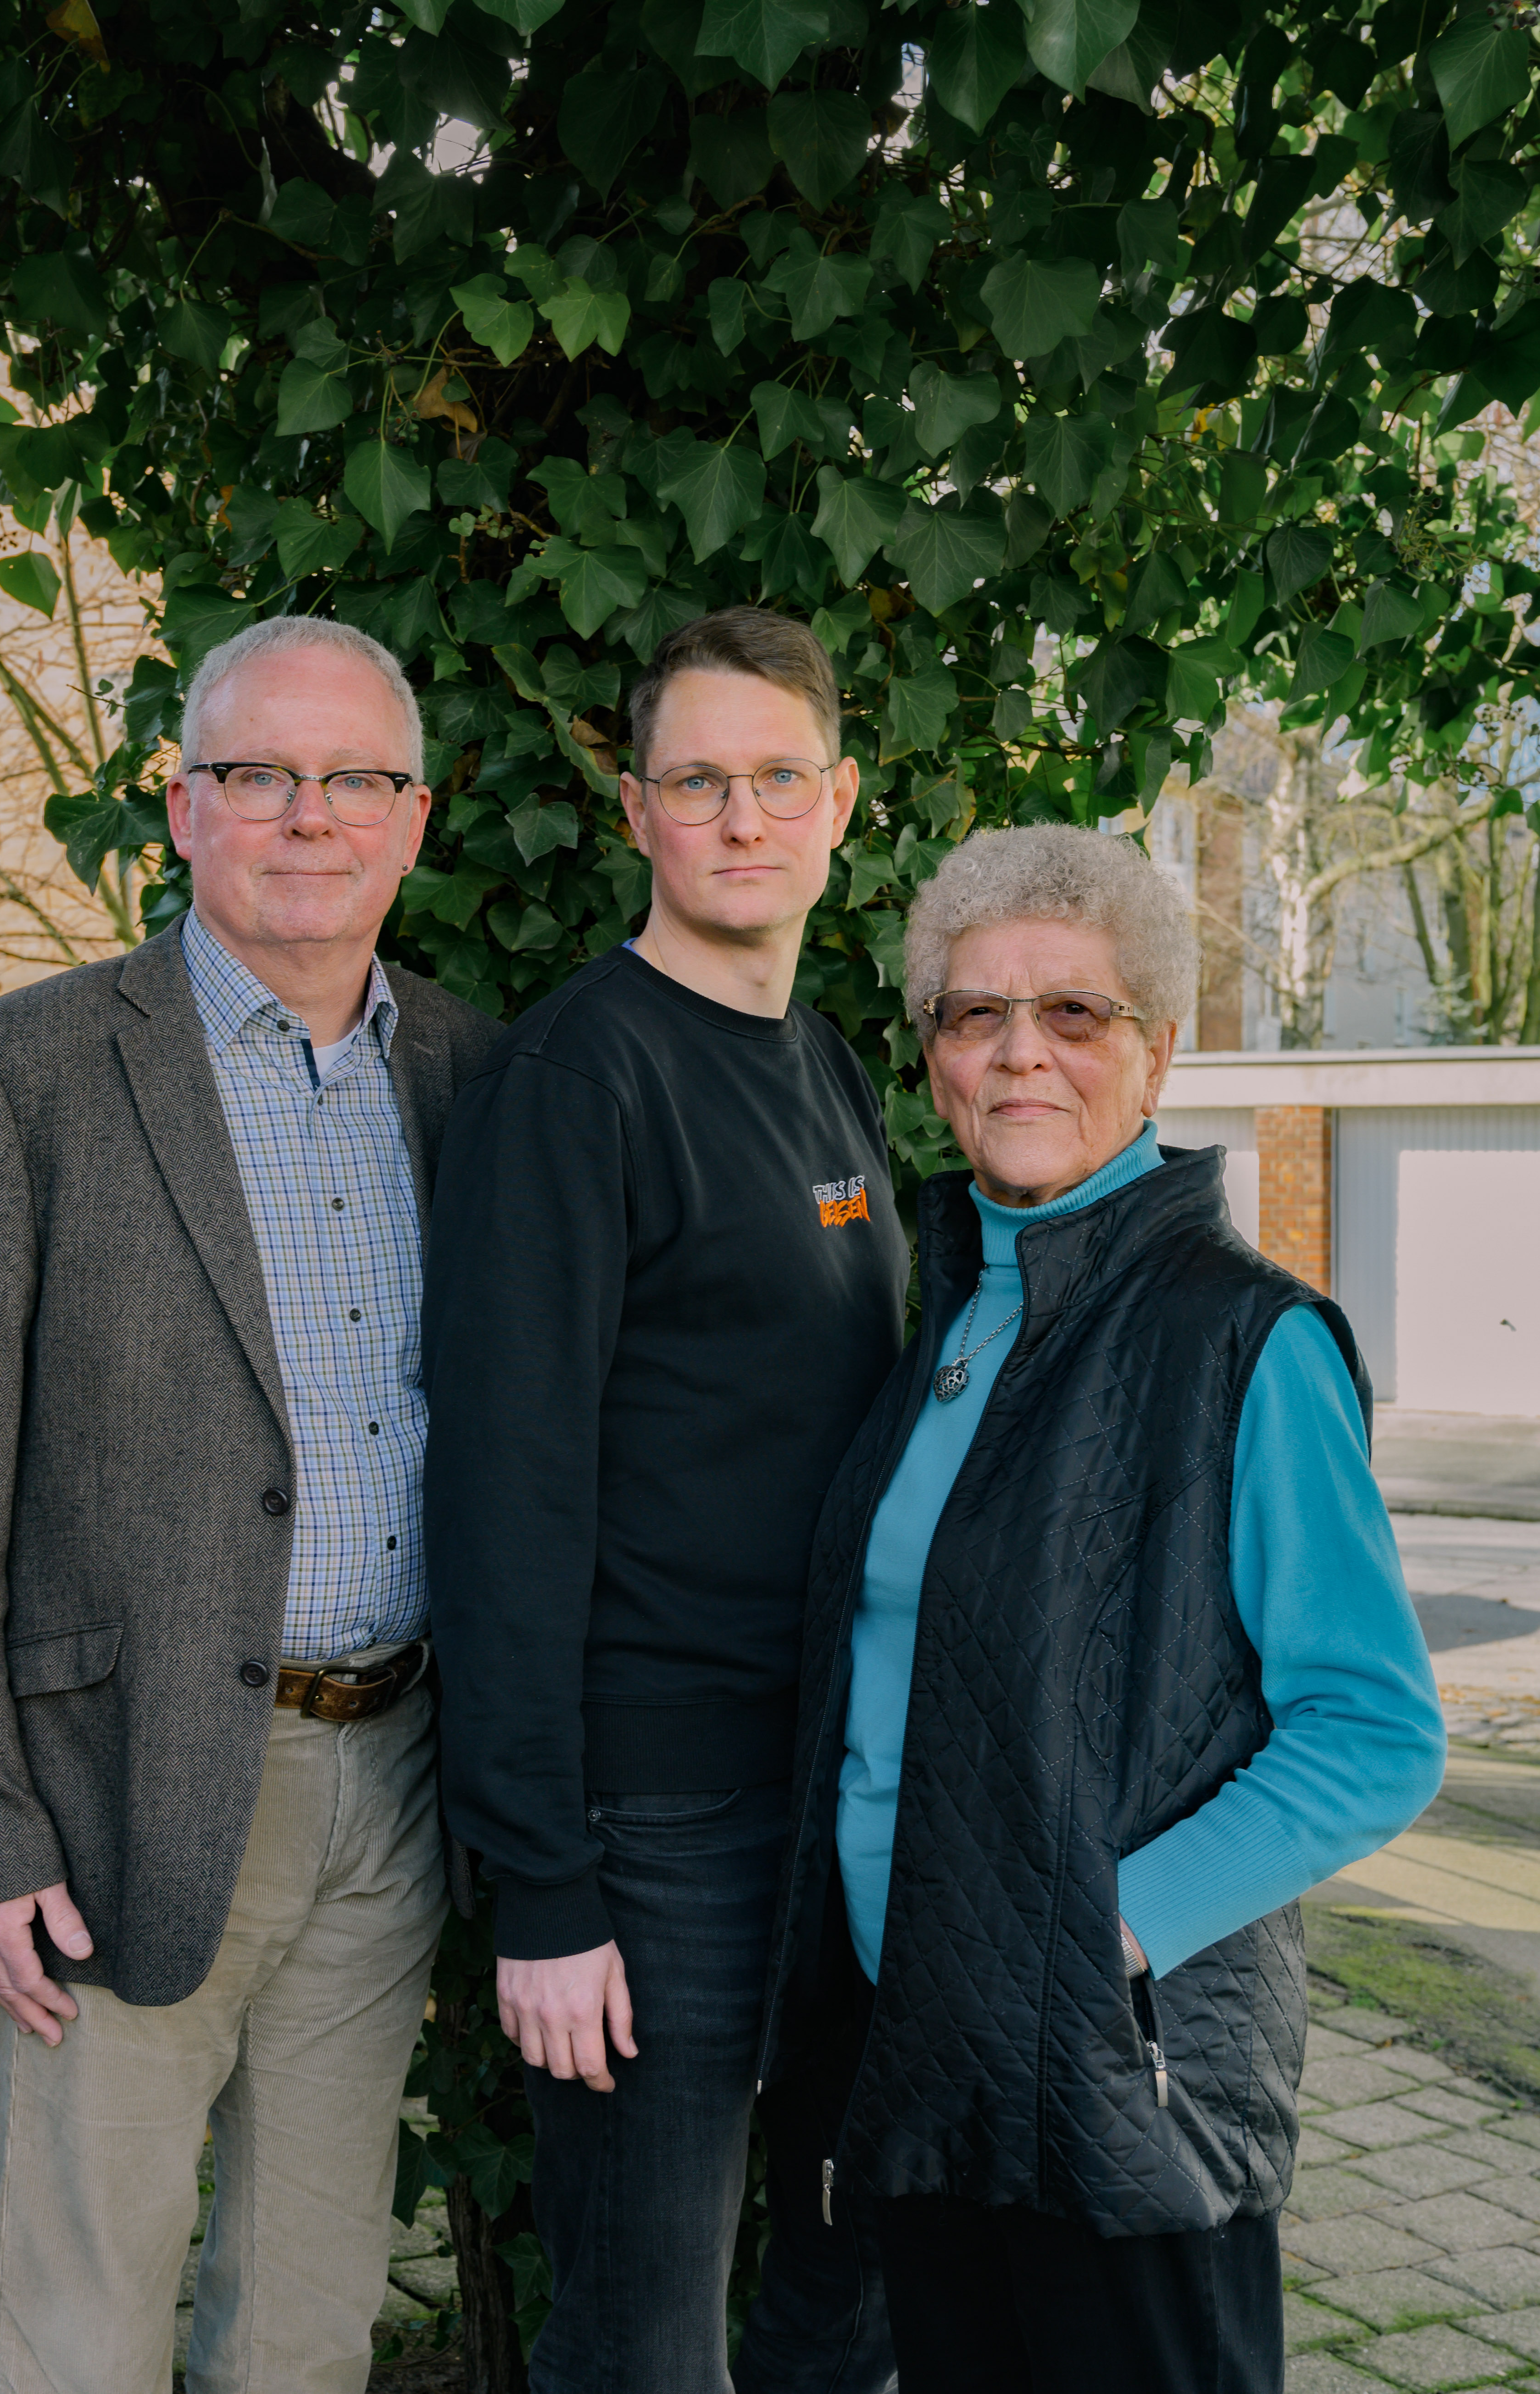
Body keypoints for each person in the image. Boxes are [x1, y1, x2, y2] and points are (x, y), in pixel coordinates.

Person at [0, 616, 501, 2394]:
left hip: (393, 1781)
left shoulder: (468, 1072)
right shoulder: (21, 1074)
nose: (310, 813)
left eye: (353, 776)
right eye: (258, 774)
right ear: (183, 805)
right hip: (110, 1796)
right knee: (80, 2329)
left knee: (306, 2322)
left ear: (413, 816)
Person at [757, 822, 1448, 2394]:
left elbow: (1378, 1731)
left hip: (1113, 2077)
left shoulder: (1242, 1339)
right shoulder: (947, 1319)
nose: (1020, 1055)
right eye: (973, 1014)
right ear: (931, 1052)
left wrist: (1113, 1935)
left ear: (1158, 1051)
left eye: (1075, 1013)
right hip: (917, 2046)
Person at [423, 608, 903, 2393]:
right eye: (696, 779)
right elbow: (500, 1496)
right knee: (641, 2347)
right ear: (633, 811)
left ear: (840, 801)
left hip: (832, 1804)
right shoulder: (577, 1081)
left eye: (778, 776)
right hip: (655, 1830)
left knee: (838, 2303)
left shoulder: (824, 1066)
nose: (741, 814)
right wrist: (544, 1881)